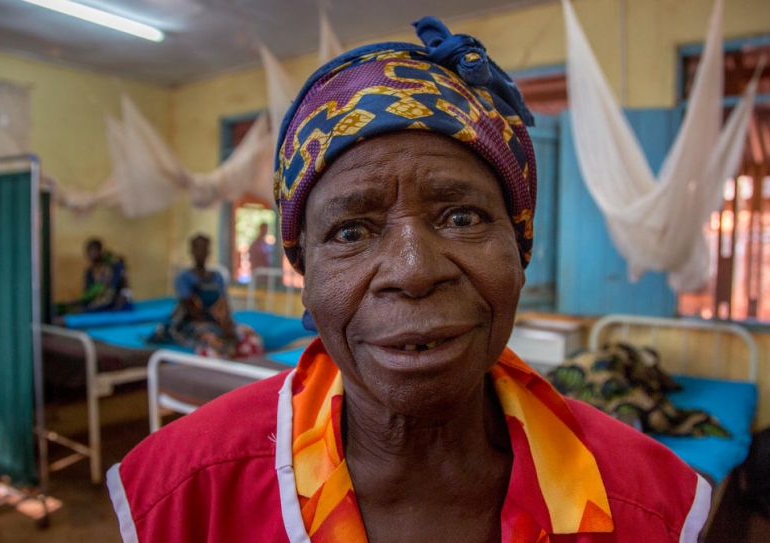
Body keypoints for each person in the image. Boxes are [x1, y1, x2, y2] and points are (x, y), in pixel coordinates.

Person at [109, 17, 710, 542]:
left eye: (462, 217)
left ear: (519, 251)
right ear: (305, 276)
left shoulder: (648, 504)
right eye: (350, 231)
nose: (413, 271)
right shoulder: (187, 493)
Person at [150, 234, 263, 359]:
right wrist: (218, 327)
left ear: (209, 251)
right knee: (213, 339)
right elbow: (191, 310)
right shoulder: (184, 278)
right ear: (191, 251)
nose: (201, 252)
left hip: (217, 321)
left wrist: (227, 326)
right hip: (194, 322)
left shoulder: (217, 277)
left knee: (250, 335)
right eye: (198, 248)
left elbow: (224, 305)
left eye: (204, 248)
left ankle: (245, 360)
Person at [57, 238, 132, 314]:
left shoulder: (113, 266)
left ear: (100, 251)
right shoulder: (89, 272)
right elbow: (88, 292)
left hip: (114, 301)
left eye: (93, 251)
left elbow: (114, 288)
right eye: (88, 251)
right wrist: (80, 301)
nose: (90, 254)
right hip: (97, 302)